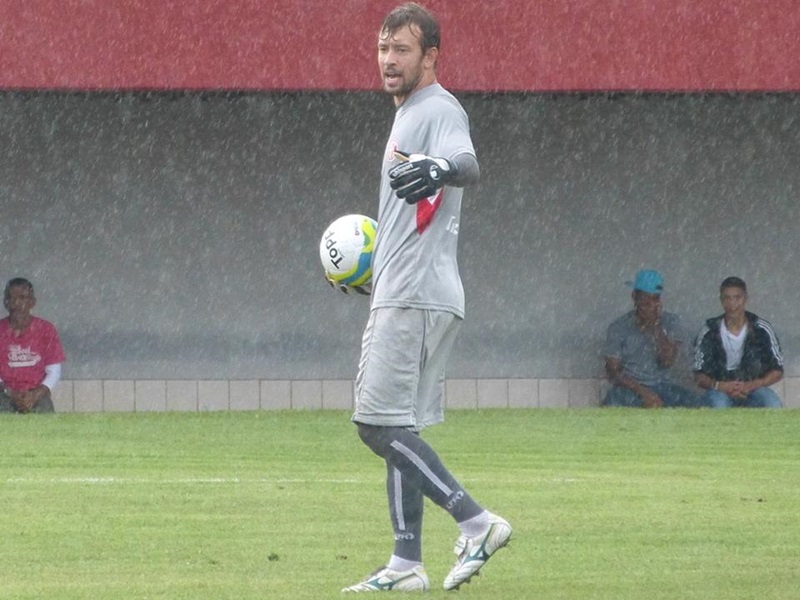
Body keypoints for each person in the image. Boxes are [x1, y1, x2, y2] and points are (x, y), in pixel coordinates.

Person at [341, 3, 511, 593]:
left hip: (412, 296)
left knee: (374, 426)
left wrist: (439, 166)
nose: (389, 60)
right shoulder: (409, 112)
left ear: (431, 56)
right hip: (413, 288)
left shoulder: (438, 107)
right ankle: (406, 564)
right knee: (398, 426)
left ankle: (477, 521)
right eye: (383, 48)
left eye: (403, 50)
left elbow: (467, 162)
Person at [602, 269, 703, 408]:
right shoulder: (618, 327)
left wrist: (655, 327)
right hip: (630, 388)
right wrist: (643, 392)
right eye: (645, 298)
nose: (649, 304)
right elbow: (612, 372)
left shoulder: (671, 322)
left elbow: (667, 361)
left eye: (654, 298)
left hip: (662, 386)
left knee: (697, 404)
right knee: (613, 402)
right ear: (634, 297)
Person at [692, 276, 783, 408]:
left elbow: (777, 369)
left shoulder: (761, 329)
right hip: (719, 390)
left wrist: (753, 384)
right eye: (727, 298)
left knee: (772, 404)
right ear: (721, 301)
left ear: (745, 299)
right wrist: (719, 385)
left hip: (754, 388)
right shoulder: (709, 331)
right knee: (719, 405)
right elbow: (698, 373)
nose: (732, 303)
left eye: (737, 298)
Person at [0, 278, 65, 414]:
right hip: (4, 395)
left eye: (22, 298)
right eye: (11, 298)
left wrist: (34, 396)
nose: (17, 303)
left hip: (38, 394)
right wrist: (10, 393)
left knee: (46, 429)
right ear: (5, 302)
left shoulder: (46, 329)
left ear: (32, 302)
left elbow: (54, 372)